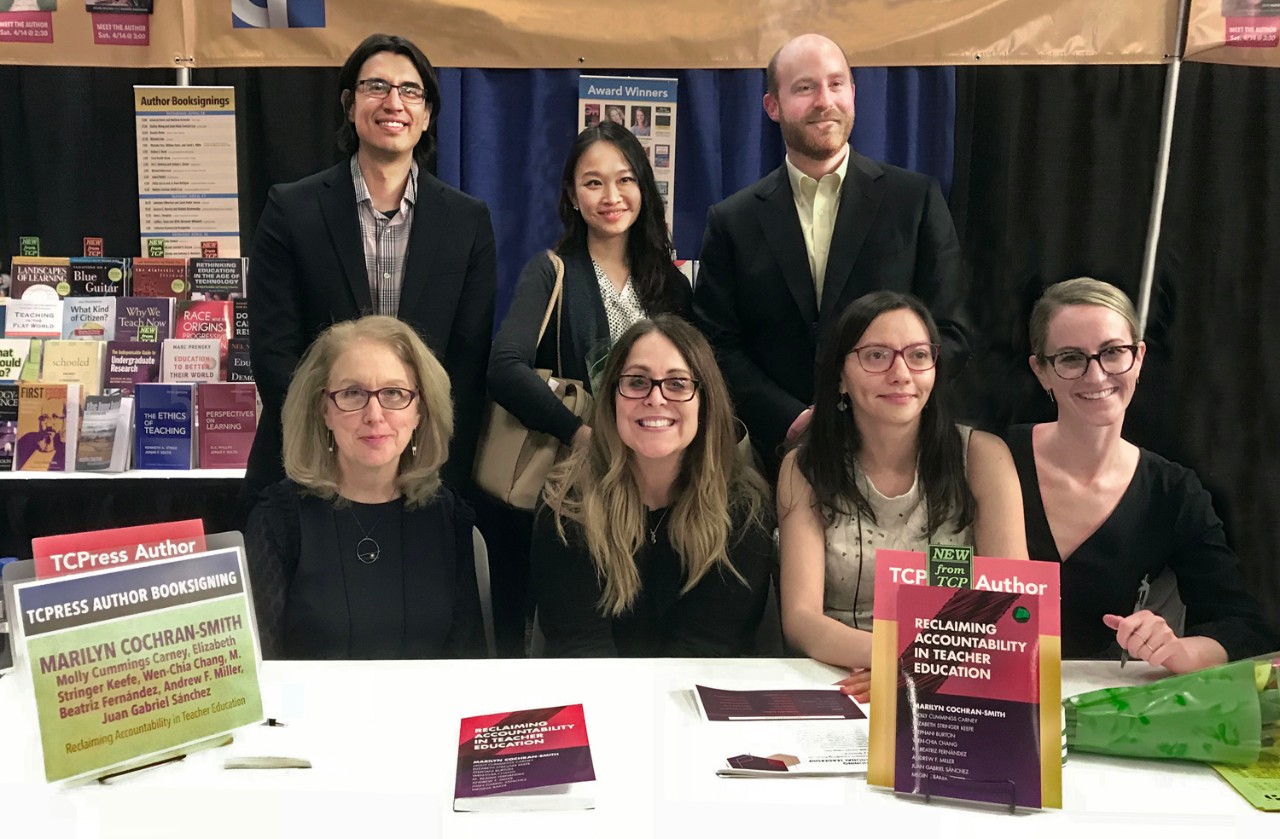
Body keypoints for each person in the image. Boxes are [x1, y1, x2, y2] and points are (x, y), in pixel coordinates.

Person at [694, 33, 969, 478]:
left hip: (897, 453)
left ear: (854, 94)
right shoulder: (732, 220)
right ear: (773, 106)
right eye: (805, 88)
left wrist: (880, 407)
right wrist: (790, 418)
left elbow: (952, 331)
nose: (825, 101)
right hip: (772, 459)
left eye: (836, 84)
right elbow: (715, 344)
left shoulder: (914, 200)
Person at [245, 33, 496, 508]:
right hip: (306, 466)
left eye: (410, 90)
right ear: (349, 104)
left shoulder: (466, 222)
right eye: (375, 86)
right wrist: (337, 440)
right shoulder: (291, 209)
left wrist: (415, 455)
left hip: (425, 474)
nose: (392, 102)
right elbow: (274, 351)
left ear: (426, 115)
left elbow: (466, 363)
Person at [1009, 278, 1276, 672]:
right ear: (1041, 371)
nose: (1096, 376)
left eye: (1113, 352)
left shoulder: (1174, 492)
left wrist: (1179, 650)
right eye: (1070, 358)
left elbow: (1243, 627)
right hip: (987, 701)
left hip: (1102, 706)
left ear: (1139, 357)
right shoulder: (992, 458)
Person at [778, 291, 1026, 677]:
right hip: (839, 673)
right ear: (840, 376)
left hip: (959, 675)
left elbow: (1010, 603)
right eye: (876, 355)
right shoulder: (806, 466)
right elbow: (800, 618)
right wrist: (891, 661)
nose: (901, 373)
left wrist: (916, 668)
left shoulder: (983, 458)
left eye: (918, 355)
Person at [532, 315, 773, 657]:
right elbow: (579, 646)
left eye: (677, 383)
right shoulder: (567, 501)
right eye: (636, 382)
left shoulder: (744, 506)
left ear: (705, 402)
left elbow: (711, 649)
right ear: (612, 396)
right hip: (600, 696)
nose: (656, 399)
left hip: (697, 699)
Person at [246, 316, 486, 660]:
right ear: (323, 410)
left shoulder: (448, 517)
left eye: (394, 393)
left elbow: (469, 664)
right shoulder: (278, 521)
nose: (375, 414)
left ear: (420, 410)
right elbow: (261, 669)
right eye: (353, 393)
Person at [490, 119, 691, 452]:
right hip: (578, 471)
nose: (611, 197)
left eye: (625, 180)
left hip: (658, 462)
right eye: (593, 183)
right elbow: (504, 369)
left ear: (643, 187)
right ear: (572, 194)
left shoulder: (672, 284)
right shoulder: (551, 273)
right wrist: (577, 434)